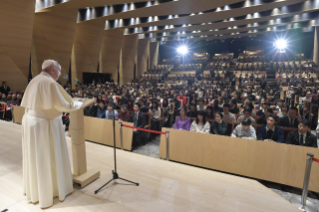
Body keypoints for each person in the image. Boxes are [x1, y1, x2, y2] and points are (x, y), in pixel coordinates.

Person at [21, 60, 75, 208]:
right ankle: (51, 191)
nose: (59, 74)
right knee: (46, 157)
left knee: (34, 157)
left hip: (31, 123)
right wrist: (75, 105)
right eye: (58, 71)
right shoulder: (50, 83)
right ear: (52, 70)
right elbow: (62, 105)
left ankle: (36, 191)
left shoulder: (34, 80)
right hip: (44, 126)